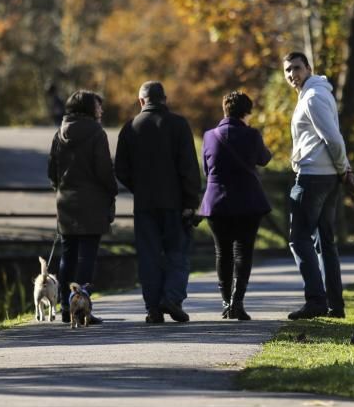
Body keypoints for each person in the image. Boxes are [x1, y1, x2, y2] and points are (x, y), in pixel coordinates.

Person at [282, 51, 354, 320]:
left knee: (299, 238)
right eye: (287, 71)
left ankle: (316, 300)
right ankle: (334, 305)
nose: (292, 74)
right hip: (327, 175)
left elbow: (334, 139)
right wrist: (343, 170)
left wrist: (344, 169)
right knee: (324, 241)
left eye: (296, 68)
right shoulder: (315, 94)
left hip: (314, 176)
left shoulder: (314, 97)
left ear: (308, 68)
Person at [115, 81, 202, 324]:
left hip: (144, 204)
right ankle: (172, 298)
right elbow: (188, 167)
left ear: (141, 101)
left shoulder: (130, 127)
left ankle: (153, 308)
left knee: (149, 256)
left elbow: (120, 169)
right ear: (165, 99)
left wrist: (139, 187)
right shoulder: (178, 125)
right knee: (177, 252)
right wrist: (190, 199)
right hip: (174, 202)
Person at [198, 92, 273, 321]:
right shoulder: (251, 135)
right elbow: (264, 159)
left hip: (217, 203)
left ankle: (225, 303)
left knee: (222, 253)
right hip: (247, 202)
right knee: (243, 252)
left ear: (225, 110)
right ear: (247, 112)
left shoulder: (209, 136)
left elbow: (206, 169)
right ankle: (237, 302)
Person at [48, 90, 118, 324]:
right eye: (98, 106)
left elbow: (52, 169)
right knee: (87, 256)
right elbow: (104, 170)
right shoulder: (97, 133)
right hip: (92, 202)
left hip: (66, 202)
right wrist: (112, 190)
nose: (101, 110)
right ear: (89, 109)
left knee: (68, 254)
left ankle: (66, 305)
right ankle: (82, 305)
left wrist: (60, 189)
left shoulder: (60, 133)